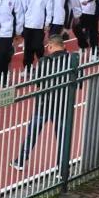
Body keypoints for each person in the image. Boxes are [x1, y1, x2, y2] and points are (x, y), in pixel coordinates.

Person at [11, 35, 73, 170]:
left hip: (44, 103)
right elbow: (77, 83)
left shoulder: (44, 62)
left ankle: (20, 160)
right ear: (63, 46)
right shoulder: (72, 60)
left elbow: (38, 82)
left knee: (32, 133)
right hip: (62, 104)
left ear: (50, 46)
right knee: (62, 137)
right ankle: (62, 167)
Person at [20, 0, 53, 68]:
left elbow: (49, 7)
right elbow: (23, 5)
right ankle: (28, 68)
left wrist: (47, 23)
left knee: (38, 47)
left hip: (40, 23)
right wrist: (22, 21)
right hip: (28, 22)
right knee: (28, 47)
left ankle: (43, 66)